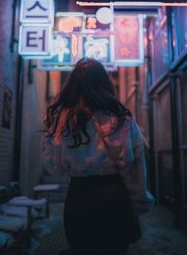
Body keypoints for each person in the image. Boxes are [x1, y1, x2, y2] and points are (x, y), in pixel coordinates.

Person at [44, 58, 155, 255]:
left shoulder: (63, 120)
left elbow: (54, 167)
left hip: (78, 197)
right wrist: (137, 207)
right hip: (114, 197)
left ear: (73, 84)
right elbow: (136, 171)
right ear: (104, 83)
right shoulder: (122, 119)